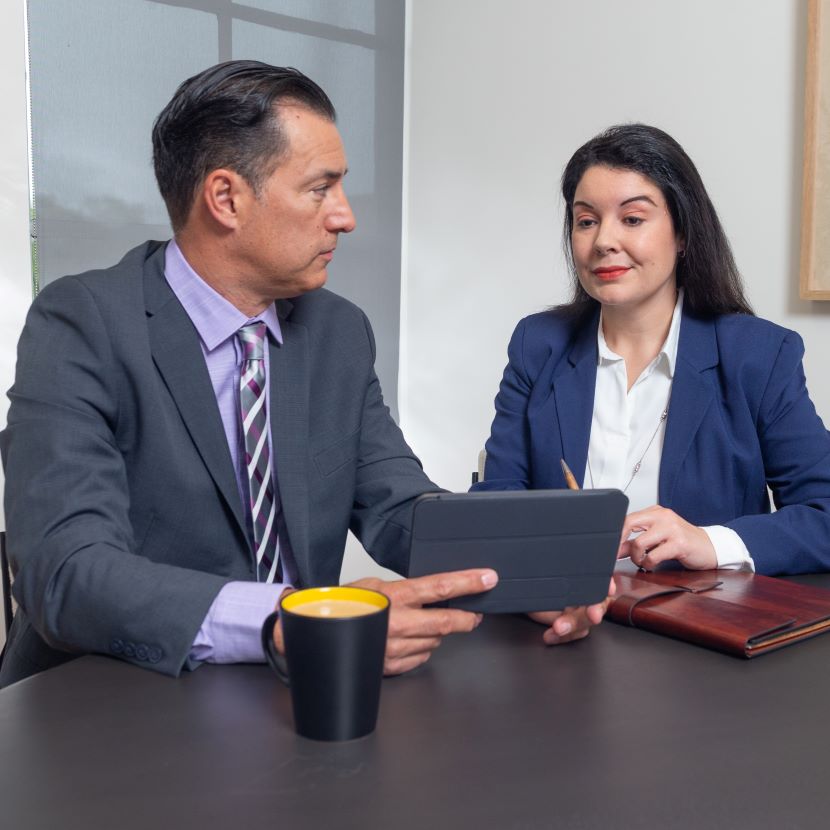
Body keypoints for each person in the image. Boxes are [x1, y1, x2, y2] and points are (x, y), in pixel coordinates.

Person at [0, 61, 602, 687]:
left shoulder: (336, 331)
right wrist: (289, 621)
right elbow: (64, 569)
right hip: (110, 701)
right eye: (321, 189)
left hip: (297, 696)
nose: (345, 216)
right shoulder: (83, 323)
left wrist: (529, 573)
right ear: (226, 198)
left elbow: (398, 505)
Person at [475, 123, 830, 577]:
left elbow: (823, 513)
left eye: (633, 219)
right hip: (561, 619)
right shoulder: (537, 344)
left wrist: (710, 541)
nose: (604, 241)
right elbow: (498, 497)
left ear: (683, 234)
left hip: (698, 629)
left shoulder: (758, 355)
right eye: (586, 221)